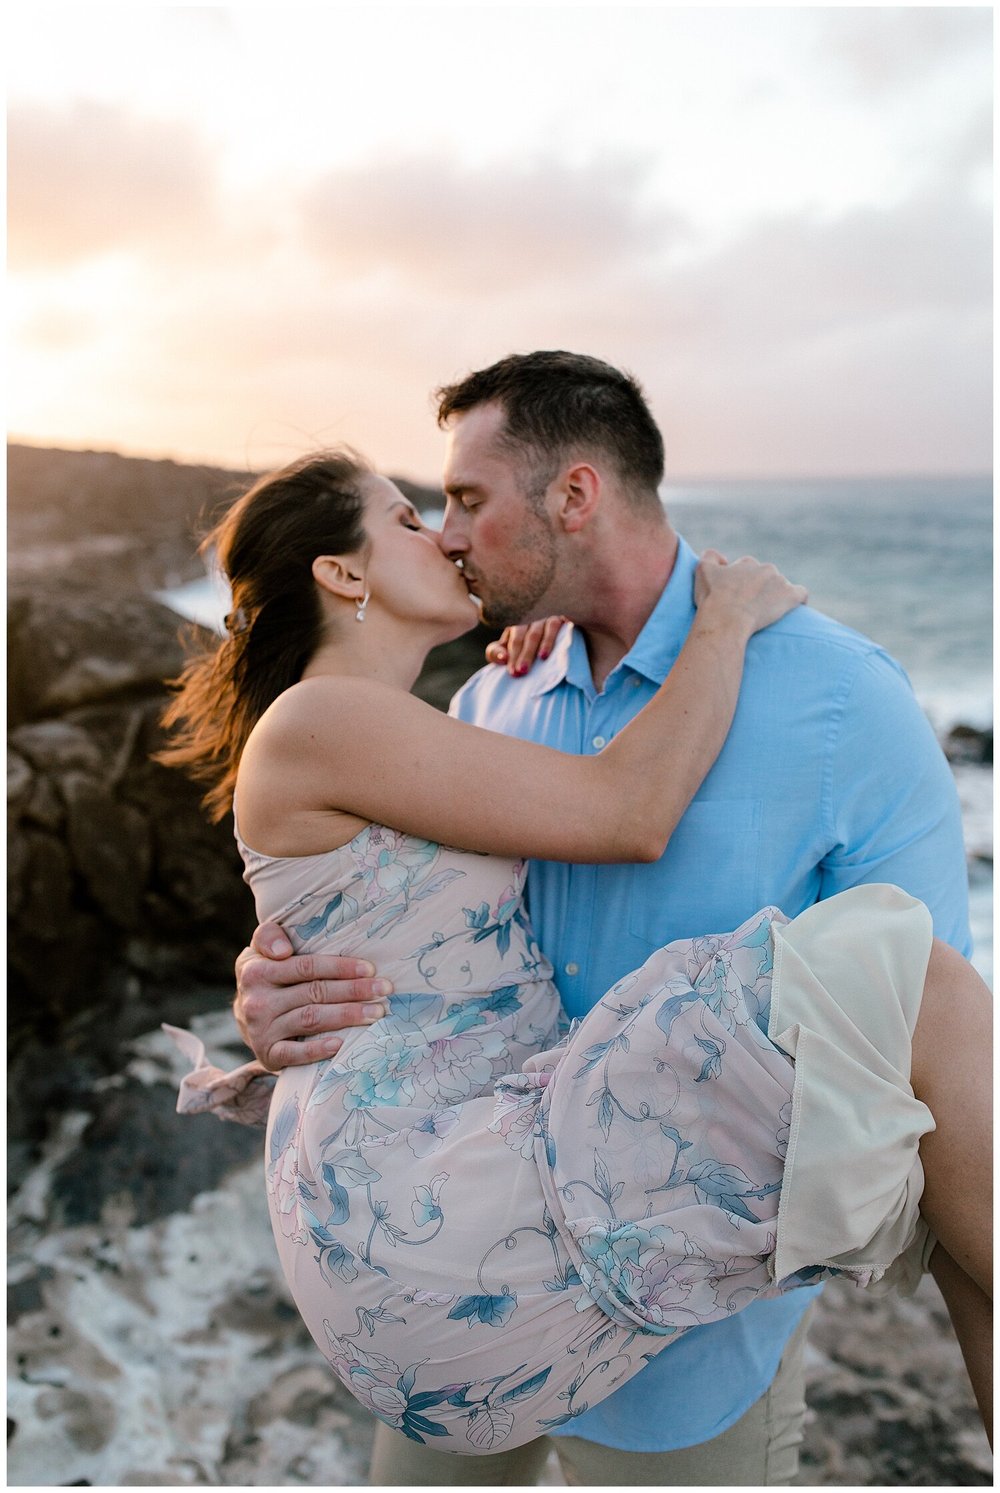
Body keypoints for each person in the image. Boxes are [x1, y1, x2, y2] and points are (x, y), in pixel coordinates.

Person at [226, 354, 985, 1485]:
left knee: (914, 986)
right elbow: (411, 903)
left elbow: (937, 1054)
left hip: (690, 1340)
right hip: (464, 1242)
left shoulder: (838, 700)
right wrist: (271, 977)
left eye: (466, 501)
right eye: (424, 512)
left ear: (572, 495)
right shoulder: (493, 696)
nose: (447, 535)